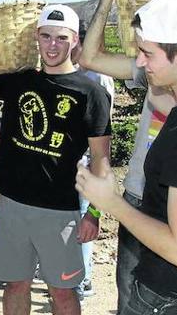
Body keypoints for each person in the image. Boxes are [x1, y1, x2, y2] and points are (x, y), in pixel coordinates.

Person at [0, 4, 112, 315]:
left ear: (75, 41)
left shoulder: (91, 93)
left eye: (61, 38)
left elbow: (101, 160)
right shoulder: (20, 81)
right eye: (45, 37)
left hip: (60, 210)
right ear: (36, 39)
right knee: (16, 285)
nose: (52, 45)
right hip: (13, 205)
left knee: (63, 293)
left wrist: (93, 213)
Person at [76, 0, 177, 314]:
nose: (139, 62)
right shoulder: (175, 110)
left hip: (164, 296)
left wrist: (110, 203)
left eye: (147, 54)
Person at [72, 19, 115, 301]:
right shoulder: (73, 73)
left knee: (83, 218)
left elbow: (103, 126)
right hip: (68, 162)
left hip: (86, 161)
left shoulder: (99, 78)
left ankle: (83, 279)